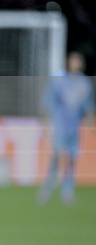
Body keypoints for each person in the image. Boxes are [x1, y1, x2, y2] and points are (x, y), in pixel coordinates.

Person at [38, 51, 95, 205]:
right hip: (59, 124)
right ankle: (47, 187)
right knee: (56, 155)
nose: (75, 64)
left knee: (71, 158)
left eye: (78, 61)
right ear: (68, 62)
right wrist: (46, 122)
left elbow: (88, 105)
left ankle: (68, 190)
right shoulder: (59, 80)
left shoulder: (84, 83)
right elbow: (49, 102)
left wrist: (90, 119)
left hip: (74, 126)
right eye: (73, 61)